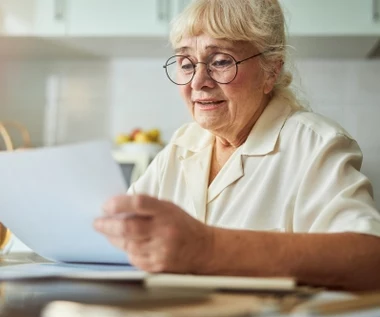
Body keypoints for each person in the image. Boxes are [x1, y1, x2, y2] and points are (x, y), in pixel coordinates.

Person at [94, 0, 380, 291]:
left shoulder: (316, 144)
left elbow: (369, 260)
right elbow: (120, 238)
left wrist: (206, 247)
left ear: (271, 71)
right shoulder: (182, 145)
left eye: (220, 61)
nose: (198, 82)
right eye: (186, 63)